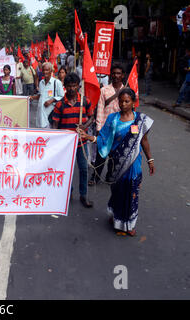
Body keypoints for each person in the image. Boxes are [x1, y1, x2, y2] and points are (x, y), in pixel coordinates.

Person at [77, 88, 154, 236]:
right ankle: (117, 219)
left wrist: (150, 159)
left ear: (133, 103)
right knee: (118, 192)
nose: (123, 104)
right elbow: (103, 139)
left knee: (132, 192)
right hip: (116, 163)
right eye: (121, 101)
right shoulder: (112, 119)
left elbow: (144, 140)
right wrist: (88, 137)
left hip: (134, 164)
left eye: (127, 101)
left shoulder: (140, 120)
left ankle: (130, 224)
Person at [52, 73, 95, 208]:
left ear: (79, 86)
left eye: (74, 86)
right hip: (66, 145)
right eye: (69, 86)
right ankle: (68, 194)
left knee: (83, 169)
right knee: (67, 171)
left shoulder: (85, 101)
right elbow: (55, 124)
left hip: (81, 143)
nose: (72, 89)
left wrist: (85, 126)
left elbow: (91, 117)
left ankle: (83, 195)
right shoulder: (60, 105)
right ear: (65, 87)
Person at [90, 64, 125, 185]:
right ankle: (95, 177)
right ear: (111, 75)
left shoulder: (126, 91)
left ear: (122, 75)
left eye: (118, 73)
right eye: (114, 73)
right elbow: (99, 109)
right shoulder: (104, 90)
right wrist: (99, 128)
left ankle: (110, 175)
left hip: (120, 128)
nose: (116, 75)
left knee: (115, 155)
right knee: (101, 154)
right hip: (105, 128)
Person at [30, 62, 64, 128]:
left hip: (50, 115)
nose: (45, 72)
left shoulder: (56, 82)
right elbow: (40, 95)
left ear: (51, 71)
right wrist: (32, 97)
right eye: (43, 70)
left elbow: (62, 96)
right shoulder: (41, 83)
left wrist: (51, 100)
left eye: (47, 70)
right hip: (40, 115)